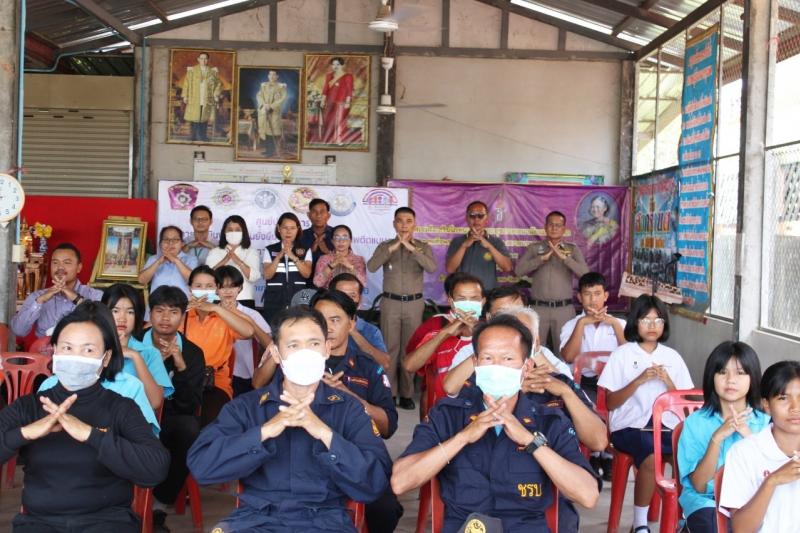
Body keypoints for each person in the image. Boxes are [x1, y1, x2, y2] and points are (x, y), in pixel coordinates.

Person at [187, 305, 392, 532]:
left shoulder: (349, 409)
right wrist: (264, 431)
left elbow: (375, 483)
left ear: (326, 349)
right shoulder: (247, 408)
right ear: (276, 353)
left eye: (314, 344)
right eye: (293, 345)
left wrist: (325, 434)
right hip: (255, 520)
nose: (305, 354)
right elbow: (202, 468)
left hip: (325, 522)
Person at [392, 315, 600, 533]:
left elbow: (587, 495)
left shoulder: (549, 420)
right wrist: (463, 437)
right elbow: (400, 482)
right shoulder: (448, 415)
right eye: (488, 358)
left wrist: (530, 440)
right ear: (475, 363)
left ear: (526, 367)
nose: (497, 366)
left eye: (508, 359)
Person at [0, 302, 169, 532]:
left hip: (107, 523)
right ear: (54, 351)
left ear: (106, 358)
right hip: (40, 523)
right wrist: (25, 433)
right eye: (67, 348)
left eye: (88, 350)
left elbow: (156, 467)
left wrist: (91, 435)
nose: (76, 357)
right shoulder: (29, 407)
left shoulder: (121, 407)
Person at [598, 295, 694, 533]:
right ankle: (640, 523)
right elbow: (610, 403)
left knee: (689, 453)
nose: (652, 326)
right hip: (630, 426)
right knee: (651, 456)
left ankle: (685, 518)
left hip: (666, 425)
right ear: (635, 322)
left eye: (658, 320)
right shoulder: (622, 354)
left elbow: (684, 402)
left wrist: (668, 382)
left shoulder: (672, 357)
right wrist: (639, 380)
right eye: (646, 320)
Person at [311, 289, 403, 533]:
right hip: (308, 453)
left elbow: (387, 427)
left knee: (384, 508)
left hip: (360, 452)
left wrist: (349, 396)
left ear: (351, 323)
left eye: (335, 320)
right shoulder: (298, 364)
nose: (328, 328)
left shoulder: (368, 368)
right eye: (320, 320)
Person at [677, 342, 769, 533]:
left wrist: (748, 436)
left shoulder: (766, 423)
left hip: (754, 502)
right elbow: (700, 486)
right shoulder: (695, 422)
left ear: (752, 378)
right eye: (722, 372)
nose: (730, 380)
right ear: (712, 377)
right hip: (707, 502)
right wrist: (717, 438)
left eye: (740, 373)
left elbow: (771, 476)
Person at [138, 286, 205, 531]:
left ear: (183, 315)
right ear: (150, 314)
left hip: (171, 419)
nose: (165, 318)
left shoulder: (192, 352)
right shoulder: (134, 343)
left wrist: (181, 366)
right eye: (159, 311)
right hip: (135, 416)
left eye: (173, 312)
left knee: (189, 429)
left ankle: (159, 504)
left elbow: (189, 405)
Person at [367, 207, 437, 410]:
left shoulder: (423, 247)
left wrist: (411, 248)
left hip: (414, 304)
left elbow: (432, 267)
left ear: (415, 224)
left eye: (408, 221)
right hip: (390, 303)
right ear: (394, 224)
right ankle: (390, 393)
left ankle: (406, 393)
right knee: (390, 349)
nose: (404, 225)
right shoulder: (385, 246)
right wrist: (395, 246)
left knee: (409, 349)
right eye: (400, 221)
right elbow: (372, 266)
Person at [719, 360, 800, 533]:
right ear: (766, 405)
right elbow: (741, 529)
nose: (795, 408)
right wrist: (772, 481)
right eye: (783, 398)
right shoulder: (744, 453)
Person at [559, 271, 625, 479]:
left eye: (597, 294)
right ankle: (594, 453)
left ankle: (608, 455)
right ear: (579, 297)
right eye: (587, 294)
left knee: (621, 403)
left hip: (614, 386)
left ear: (606, 296)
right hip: (585, 383)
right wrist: (582, 324)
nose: (593, 300)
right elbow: (568, 357)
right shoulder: (571, 325)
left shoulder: (620, 324)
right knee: (586, 403)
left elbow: (631, 357)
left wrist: (614, 325)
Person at [183, 265, 255, 426]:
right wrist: (180, 309)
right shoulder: (183, 315)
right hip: (185, 380)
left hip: (216, 383)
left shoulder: (224, 316)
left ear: (216, 289)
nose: (203, 290)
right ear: (190, 288)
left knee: (212, 422)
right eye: (198, 286)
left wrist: (216, 308)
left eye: (209, 286)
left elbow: (249, 332)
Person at [404, 273, 484, 405]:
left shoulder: (493, 333)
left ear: (483, 301)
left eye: (474, 298)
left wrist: (480, 332)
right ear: (451, 302)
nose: (468, 303)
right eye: (462, 299)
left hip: (479, 410)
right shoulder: (438, 330)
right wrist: (444, 334)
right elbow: (409, 366)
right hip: (442, 410)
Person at [515, 211, 589, 351]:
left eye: (558, 225)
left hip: (563, 309)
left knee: (564, 351)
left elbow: (585, 275)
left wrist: (565, 259)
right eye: (551, 224)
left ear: (564, 229)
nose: (554, 228)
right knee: (535, 350)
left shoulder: (572, 249)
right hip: (539, 309)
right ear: (545, 227)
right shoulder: (535, 248)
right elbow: (518, 271)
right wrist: (540, 259)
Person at [102, 283, 173, 410]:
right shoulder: (92, 348)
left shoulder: (150, 353)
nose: (122, 318)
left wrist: (135, 356)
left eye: (130, 312)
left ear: (137, 316)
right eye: (115, 311)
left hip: (135, 419)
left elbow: (155, 402)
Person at [12, 242, 103, 338]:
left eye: (67, 262)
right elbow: (19, 331)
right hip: (45, 347)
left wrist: (75, 298)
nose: (60, 267)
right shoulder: (38, 296)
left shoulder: (95, 295)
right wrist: (40, 301)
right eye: (55, 262)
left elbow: (105, 326)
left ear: (79, 268)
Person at [216, 265, 273, 397]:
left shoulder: (251, 314)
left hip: (245, 375)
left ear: (240, 288)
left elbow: (270, 346)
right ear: (216, 289)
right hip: (216, 375)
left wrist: (245, 318)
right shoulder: (210, 313)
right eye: (223, 287)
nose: (228, 291)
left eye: (233, 286)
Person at [445, 200, 512, 291]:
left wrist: (489, 246)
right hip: (464, 293)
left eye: (480, 216)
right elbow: (450, 269)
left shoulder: (496, 242)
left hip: (488, 292)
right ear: (466, 218)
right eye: (472, 215)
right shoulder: (457, 241)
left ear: (487, 219)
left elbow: (507, 267)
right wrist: (464, 245)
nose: (476, 219)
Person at [330, 273, 391, 369]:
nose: (347, 300)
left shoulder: (371, 331)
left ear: (360, 299)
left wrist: (354, 333)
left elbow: (385, 363)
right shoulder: (319, 326)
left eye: (352, 295)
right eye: (342, 295)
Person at [262, 212, 313, 323]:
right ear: (279, 228)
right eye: (285, 228)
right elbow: (267, 275)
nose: (288, 231)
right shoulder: (269, 249)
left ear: (298, 229)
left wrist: (292, 256)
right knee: (274, 329)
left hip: (299, 299)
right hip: (274, 300)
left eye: (292, 228)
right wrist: (280, 255)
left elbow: (307, 274)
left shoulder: (305, 249)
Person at [206, 215, 262, 309]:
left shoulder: (251, 252)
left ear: (243, 232)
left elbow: (253, 277)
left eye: (237, 230)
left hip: (244, 299)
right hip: (218, 299)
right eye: (230, 229)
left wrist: (238, 261)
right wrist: (224, 260)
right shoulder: (214, 252)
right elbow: (207, 277)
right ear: (224, 232)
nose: (233, 232)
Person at [139, 226, 199, 296]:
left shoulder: (191, 259)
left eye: (175, 239)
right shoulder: (154, 259)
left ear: (182, 243)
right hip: (157, 302)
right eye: (166, 239)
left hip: (182, 302)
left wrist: (176, 260)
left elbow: (194, 281)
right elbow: (142, 280)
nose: (170, 243)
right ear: (160, 243)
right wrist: (158, 262)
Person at [181, 51, 222, 142]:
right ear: (198, 59)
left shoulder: (212, 72)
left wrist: (215, 94)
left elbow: (218, 84)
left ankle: (203, 136)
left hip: (207, 98)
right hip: (194, 97)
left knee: (204, 117)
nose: (203, 60)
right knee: (194, 117)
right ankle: (193, 136)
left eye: (205, 59)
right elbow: (186, 83)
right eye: (202, 58)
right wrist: (185, 96)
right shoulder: (192, 71)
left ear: (208, 60)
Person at [313, 224, 367, 289]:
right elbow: (317, 283)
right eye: (337, 238)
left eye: (345, 237)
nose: (341, 241)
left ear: (350, 241)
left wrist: (350, 267)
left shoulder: (359, 259)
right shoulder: (324, 259)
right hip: (330, 294)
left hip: (350, 294)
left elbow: (363, 283)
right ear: (332, 241)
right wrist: (331, 266)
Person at [320, 56, 354, 145]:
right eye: (333, 64)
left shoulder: (348, 76)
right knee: (328, 120)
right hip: (329, 102)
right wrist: (323, 100)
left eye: (338, 64)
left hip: (342, 103)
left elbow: (349, 90)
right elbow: (325, 89)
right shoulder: (329, 76)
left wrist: (348, 102)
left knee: (340, 121)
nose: (335, 66)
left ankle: (339, 140)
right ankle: (329, 139)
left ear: (342, 65)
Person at [299, 198, 334, 277]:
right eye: (314, 211)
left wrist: (327, 252)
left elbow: (347, 258)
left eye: (322, 211)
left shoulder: (337, 234)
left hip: (332, 281)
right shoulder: (300, 236)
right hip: (306, 281)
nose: (318, 215)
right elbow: (295, 260)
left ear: (328, 215)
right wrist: (310, 251)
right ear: (308, 215)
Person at [257, 70, 288, 157]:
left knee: (272, 130)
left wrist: (271, 106)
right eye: (270, 74)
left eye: (274, 75)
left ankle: (271, 151)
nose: (271, 76)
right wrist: (264, 104)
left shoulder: (281, 87)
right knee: (265, 130)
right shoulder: (263, 86)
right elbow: (259, 96)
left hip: (274, 112)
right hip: (264, 110)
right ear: (268, 76)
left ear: (277, 76)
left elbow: (282, 99)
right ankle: (267, 150)